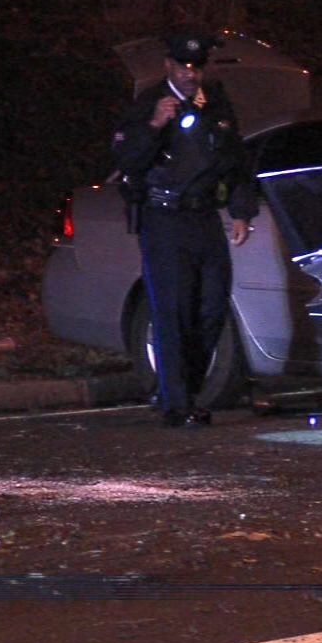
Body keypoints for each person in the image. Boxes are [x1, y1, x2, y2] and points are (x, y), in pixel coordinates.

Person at [112, 31, 255, 428]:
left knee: (211, 309)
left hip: (204, 216)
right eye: (184, 66)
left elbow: (235, 159)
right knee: (173, 311)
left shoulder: (215, 103)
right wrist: (155, 124)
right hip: (163, 218)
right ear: (168, 65)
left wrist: (242, 211)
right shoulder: (148, 104)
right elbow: (127, 159)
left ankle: (177, 388)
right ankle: (178, 405)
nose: (191, 74)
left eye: (197, 66)